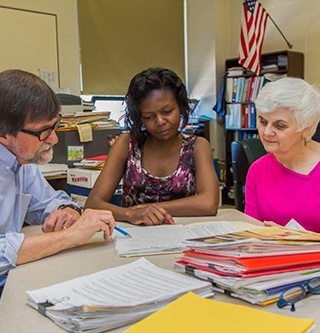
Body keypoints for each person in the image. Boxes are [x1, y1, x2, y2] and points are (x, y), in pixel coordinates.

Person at [0, 69, 115, 291]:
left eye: (55, 126)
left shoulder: (22, 161)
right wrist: (70, 236)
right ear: (4, 134)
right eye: (43, 131)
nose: (53, 138)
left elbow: (47, 202)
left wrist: (67, 211)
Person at [85, 67, 219, 225]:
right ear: (140, 118)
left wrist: (149, 209)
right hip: (134, 237)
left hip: (183, 234)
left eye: (167, 112)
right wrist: (130, 214)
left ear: (181, 108)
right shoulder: (126, 144)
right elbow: (93, 204)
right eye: (149, 117)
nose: (160, 122)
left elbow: (209, 203)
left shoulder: (197, 146)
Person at [244, 77, 320, 232]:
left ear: (306, 128)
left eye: (280, 125)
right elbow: (251, 232)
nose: (266, 132)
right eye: (263, 121)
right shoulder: (257, 170)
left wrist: (301, 240)